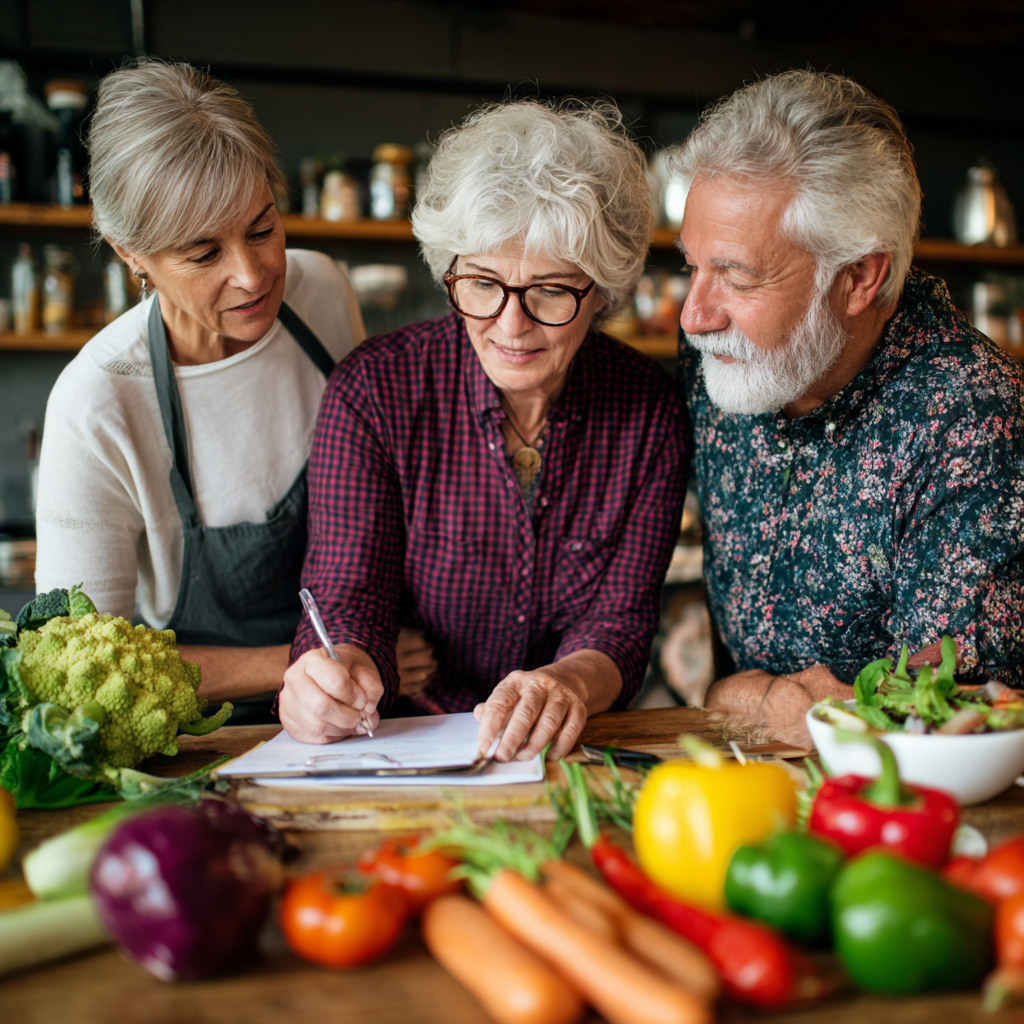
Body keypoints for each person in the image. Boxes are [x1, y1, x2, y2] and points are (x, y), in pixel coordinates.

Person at [278, 99, 688, 760]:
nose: (510, 325)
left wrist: (564, 683)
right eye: (482, 283)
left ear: (603, 292)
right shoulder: (375, 392)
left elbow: (620, 622)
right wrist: (332, 672)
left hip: (563, 748)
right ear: (451, 272)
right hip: (401, 745)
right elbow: (349, 592)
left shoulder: (649, 412)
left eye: (551, 290)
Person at [35, 60, 435, 720]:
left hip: (371, 705)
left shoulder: (323, 294)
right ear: (131, 252)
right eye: (203, 254)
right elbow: (76, 663)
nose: (253, 276)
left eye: (263, 227)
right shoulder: (99, 405)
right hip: (214, 738)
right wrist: (308, 665)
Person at [675, 70, 1024, 746]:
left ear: (859, 276)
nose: (695, 314)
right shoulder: (725, 358)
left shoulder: (970, 411)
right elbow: (742, 699)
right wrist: (746, 694)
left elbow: (950, 712)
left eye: (737, 275)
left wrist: (748, 698)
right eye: (692, 265)